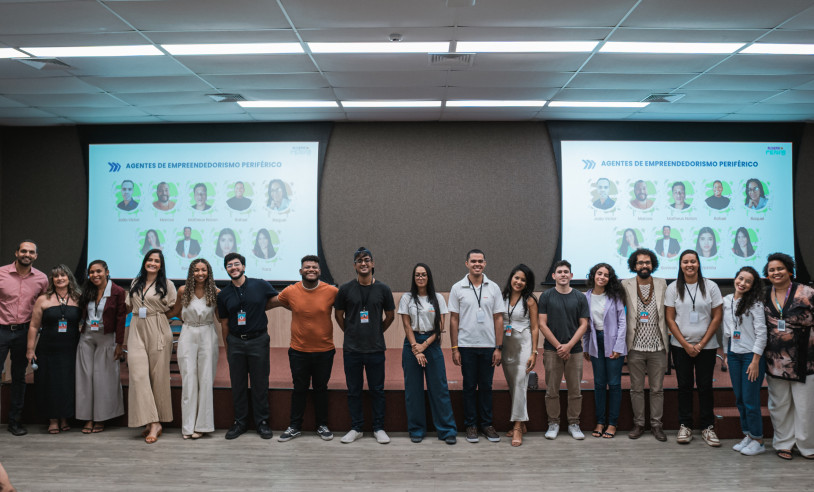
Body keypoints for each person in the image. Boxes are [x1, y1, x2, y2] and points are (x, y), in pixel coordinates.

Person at [334, 247, 395, 444]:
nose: (363, 263)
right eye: (359, 261)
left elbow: (390, 316)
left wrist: (377, 331)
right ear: (354, 265)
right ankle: (356, 428)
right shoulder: (345, 289)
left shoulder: (383, 289)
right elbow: (338, 315)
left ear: (373, 263)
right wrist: (350, 332)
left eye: (367, 260)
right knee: (354, 390)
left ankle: (378, 428)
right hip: (352, 349)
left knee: (377, 390)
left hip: (375, 348)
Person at [276, 255, 339, 442]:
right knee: (299, 389)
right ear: (300, 271)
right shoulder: (290, 291)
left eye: (314, 267)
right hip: (298, 351)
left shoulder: (332, 291)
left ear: (319, 271)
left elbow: (343, 310)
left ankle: (322, 425)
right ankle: (295, 426)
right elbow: (281, 303)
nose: (311, 269)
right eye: (307, 267)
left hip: (324, 351)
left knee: (321, 389)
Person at [216, 252, 278, 440]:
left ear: (243, 266)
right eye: (229, 265)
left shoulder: (260, 285)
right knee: (238, 384)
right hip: (235, 342)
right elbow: (224, 323)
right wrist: (227, 347)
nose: (233, 268)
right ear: (226, 270)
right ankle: (240, 422)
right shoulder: (223, 295)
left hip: (258, 340)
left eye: (236, 264)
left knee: (260, 383)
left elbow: (276, 300)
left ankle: (262, 422)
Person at [665, 249, 723, 446]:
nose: (689, 265)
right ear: (680, 265)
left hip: (706, 346)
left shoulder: (711, 286)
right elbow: (670, 319)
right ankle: (685, 425)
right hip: (680, 346)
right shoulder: (673, 287)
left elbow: (717, 317)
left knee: (705, 386)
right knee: (684, 386)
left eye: (693, 261)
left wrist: (700, 344)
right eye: (685, 262)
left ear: (698, 263)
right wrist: (685, 344)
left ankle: (708, 427)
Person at [762, 252, 814, 460]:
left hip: (806, 359)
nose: (776, 272)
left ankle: (807, 445)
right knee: (779, 404)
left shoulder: (807, 292)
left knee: (805, 405)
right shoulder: (764, 294)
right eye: (771, 270)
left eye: (780, 268)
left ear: (789, 271)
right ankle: (783, 443)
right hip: (775, 361)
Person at [448, 249, 504, 444]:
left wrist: (498, 347)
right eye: (473, 261)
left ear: (485, 263)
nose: (477, 264)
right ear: (467, 264)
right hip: (466, 345)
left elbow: (499, 318)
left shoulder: (493, 288)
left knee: (486, 386)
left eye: (480, 261)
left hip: (489, 346)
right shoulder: (457, 288)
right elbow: (453, 319)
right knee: (469, 386)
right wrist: (454, 348)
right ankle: (471, 425)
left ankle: (486, 425)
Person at [399, 263, 457, 445]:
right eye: (417, 275)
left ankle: (447, 430)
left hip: (431, 343)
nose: (420, 278)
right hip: (412, 343)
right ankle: (416, 429)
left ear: (428, 277)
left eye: (424, 274)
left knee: (439, 388)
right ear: (413, 277)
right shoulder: (407, 298)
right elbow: (406, 325)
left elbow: (440, 327)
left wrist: (424, 346)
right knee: (413, 390)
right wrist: (415, 348)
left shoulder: (438, 298)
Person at [125, 249, 177, 444]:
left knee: (158, 376)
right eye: (150, 259)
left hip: (158, 326)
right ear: (144, 262)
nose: (153, 263)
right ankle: (153, 422)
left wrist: (160, 319)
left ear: (161, 265)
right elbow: (129, 305)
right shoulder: (135, 282)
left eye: (157, 261)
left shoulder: (167, 284)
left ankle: (154, 423)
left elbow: (174, 307)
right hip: (137, 326)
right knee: (138, 375)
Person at [25, 265, 82, 434]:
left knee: (67, 383)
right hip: (48, 349)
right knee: (49, 383)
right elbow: (34, 326)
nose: (60, 279)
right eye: (56, 276)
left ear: (69, 278)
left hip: (71, 348)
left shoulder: (78, 298)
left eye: (63, 275)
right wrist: (30, 349)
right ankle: (53, 420)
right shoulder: (43, 299)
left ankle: (65, 417)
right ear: (52, 280)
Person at [167, 259, 219, 440]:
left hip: (208, 333)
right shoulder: (183, 291)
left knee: (205, 379)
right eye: (196, 270)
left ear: (208, 272)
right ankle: (188, 427)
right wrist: (154, 314)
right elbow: (174, 311)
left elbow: (221, 317)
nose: (200, 273)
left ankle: (203, 426)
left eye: (203, 270)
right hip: (188, 332)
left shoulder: (215, 292)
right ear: (191, 272)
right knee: (188, 379)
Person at [538, 260, 589, 440]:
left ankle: (574, 423)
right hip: (552, 350)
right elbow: (542, 324)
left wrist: (568, 346)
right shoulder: (546, 296)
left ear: (571, 275)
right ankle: (553, 423)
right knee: (552, 389)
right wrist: (559, 346)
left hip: (574, 350)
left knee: (575, 390)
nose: (563, 274)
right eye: (559, 272)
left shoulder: (580, 297)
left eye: (566, 272)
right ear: (554, 276)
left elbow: (584, 324)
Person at [0, 240, 47, 436]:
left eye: (31, 252)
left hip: (24, 332)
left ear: (35, 256)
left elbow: (43, 305)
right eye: (23, 251)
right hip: (1, 330)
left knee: (19, 377)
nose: (27, 254)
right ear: (16, 253)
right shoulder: (1, 273)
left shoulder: (42, 279)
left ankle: (14, 422)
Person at [622, 248, 669, 441]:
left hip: (658, 346)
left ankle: (656, 425)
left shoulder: (662, 283)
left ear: (653, 265)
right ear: (634, 265)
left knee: (657, 389)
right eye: (640, 262)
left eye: (647, 262)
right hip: (635, 346)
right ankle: (639, 424)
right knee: (636, 388)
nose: (644, 265)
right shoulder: (625, 284)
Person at [75, 260, 126, 434]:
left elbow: (120, 318)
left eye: (98, 271)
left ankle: (101, 417)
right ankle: (87, 418)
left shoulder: (118, 291)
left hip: (107, 336)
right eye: (91, 272)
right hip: (87, 336)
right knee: (85, 377)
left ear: (107, 272)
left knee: (103, 378)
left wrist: (119, 344)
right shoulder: (87, 290)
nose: (95, 275)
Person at [722, 266, 767, 456]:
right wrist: (726, 354)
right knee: (740, 398)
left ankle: (759, 440)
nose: (742, 283)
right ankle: (748, 434)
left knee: (750, 400)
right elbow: (726, 331)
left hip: (751, 356)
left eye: (748, 281)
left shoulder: (755, 304)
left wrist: (755, 360)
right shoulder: (726, 301)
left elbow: (762, 333)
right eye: (740, 278)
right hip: (734, 354)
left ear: (753, 285)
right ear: (735, 278)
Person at [582, 263, 626, 439]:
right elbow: (585, 325)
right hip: (595, 342)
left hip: (613, 343)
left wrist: (619, 346)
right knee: (599, 384)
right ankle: (600, 422)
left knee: (614, 384)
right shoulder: (585, 297)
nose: (602, 277)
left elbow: (622, 322)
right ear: (593, 275)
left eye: (606, 275)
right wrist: (586, 346)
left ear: (609, 279)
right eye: (599, 273)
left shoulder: (615, 296)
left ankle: (612, 423)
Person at [500, 264, 538, 447]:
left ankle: (517, 427)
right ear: (511, 278)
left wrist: (534, 352)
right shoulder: (502, 297)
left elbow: (535, 328)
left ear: (527, 283)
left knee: (520, 384)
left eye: (523, 280)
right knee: (512, 385)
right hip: (506, 345)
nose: (519, 282)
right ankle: (522, 423)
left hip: (524, 345)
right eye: (516, 278)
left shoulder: (530, 301)